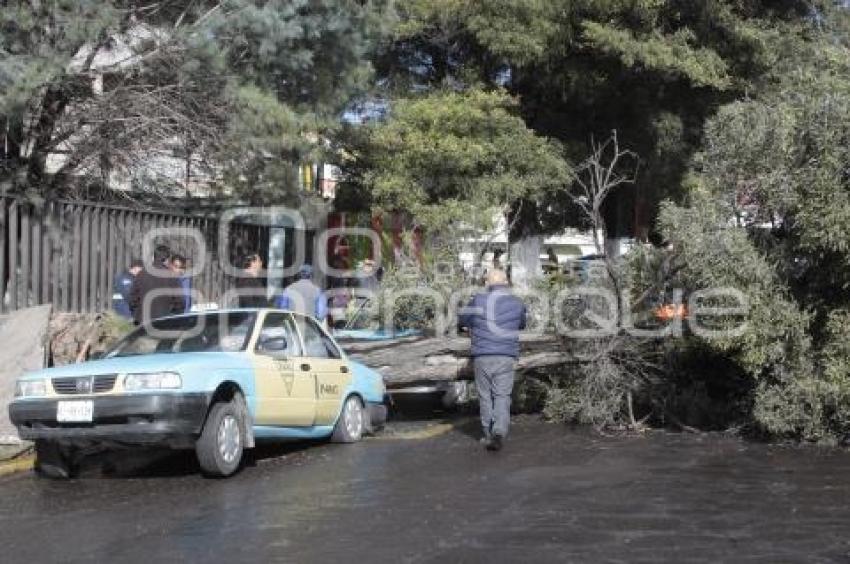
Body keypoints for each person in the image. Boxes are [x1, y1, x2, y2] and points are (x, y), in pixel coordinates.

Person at [458, 268, 527, 452]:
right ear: (506, 283)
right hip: (506, 355)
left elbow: (462, 319)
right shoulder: (517, 302)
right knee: (502, 396)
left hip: (482, 355)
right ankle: (499, 432)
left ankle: (488, 434)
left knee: (485, 396)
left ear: (487, 283)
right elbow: (521, 324)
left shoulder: (478, 300)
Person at [130, 245, 184, 325]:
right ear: (167, 260)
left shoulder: (141, 274)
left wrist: (137, 312)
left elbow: (132, 299)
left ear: (153, 257)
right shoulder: (172, 277)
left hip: (143, 321)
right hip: (163, 322)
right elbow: (179, 303)